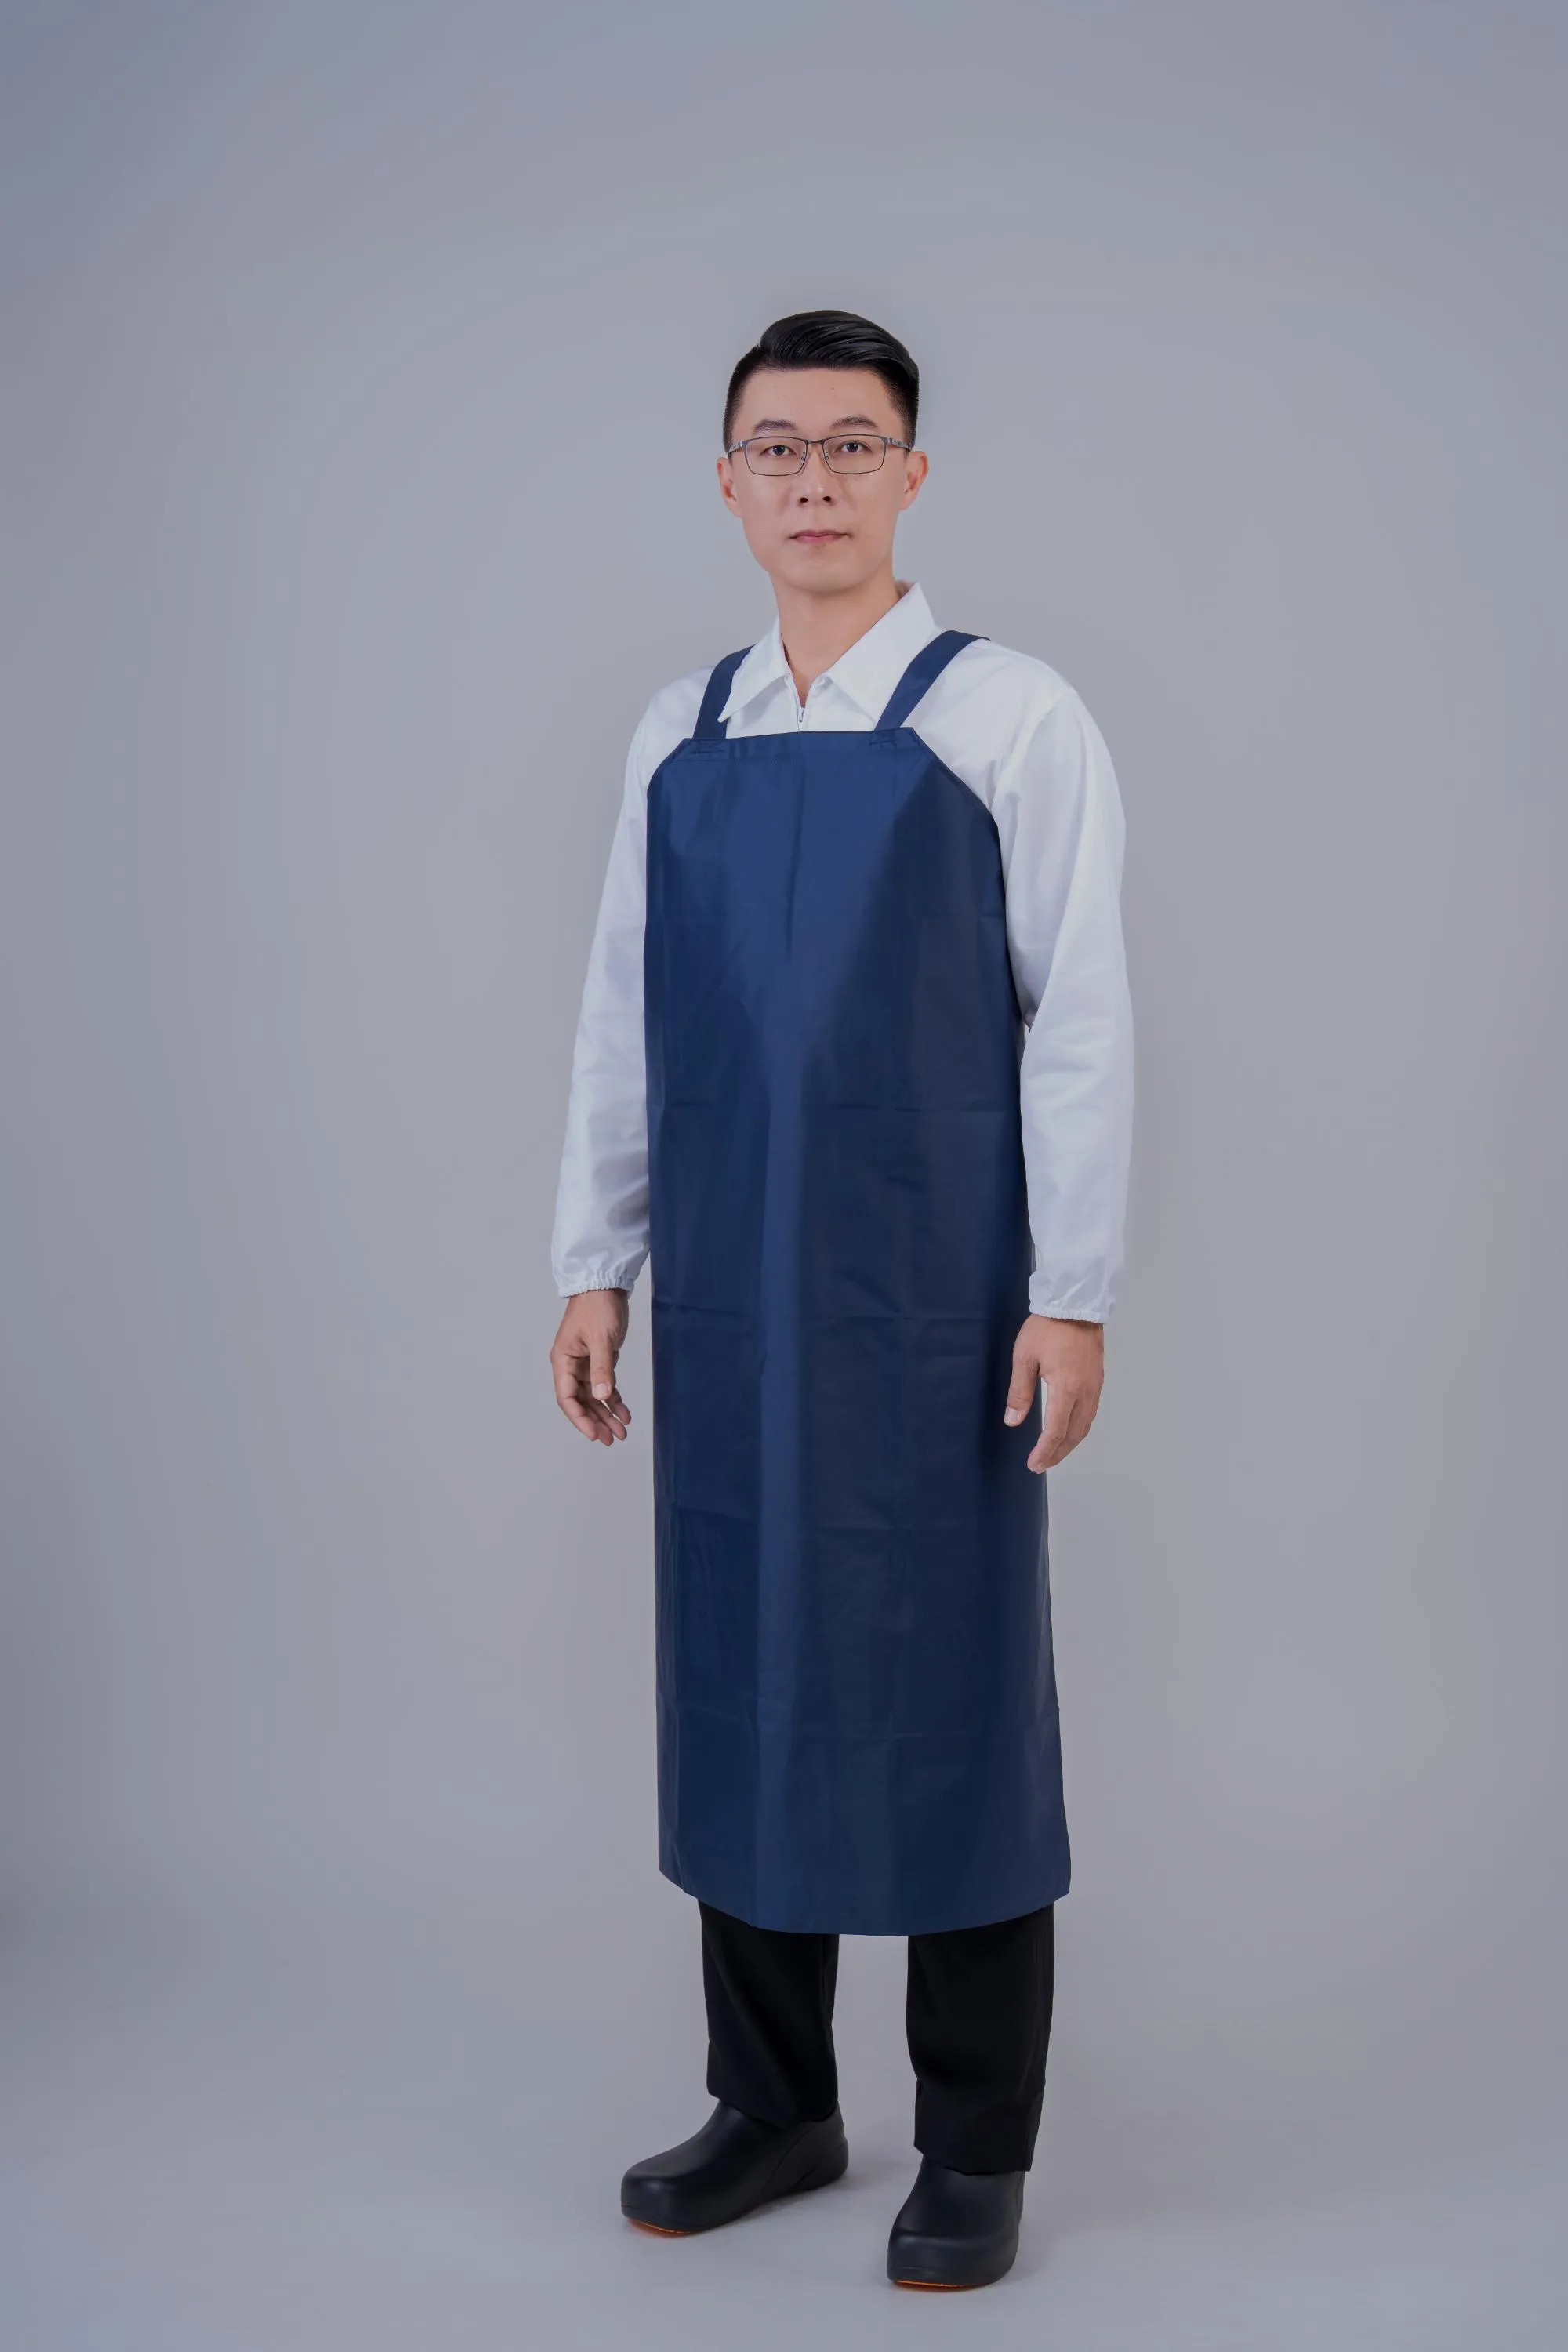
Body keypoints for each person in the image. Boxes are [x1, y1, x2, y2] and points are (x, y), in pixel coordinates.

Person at [548, 309, 1132, 2291]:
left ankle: (974, 2142)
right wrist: (593, 1260)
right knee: (746, 1676)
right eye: (778, 449)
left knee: (947, 1689)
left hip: (936, 1291)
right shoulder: (682, 731)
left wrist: (1073, 1291)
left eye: (852, 445)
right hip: (729, 1288)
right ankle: (774, 2100)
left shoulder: (1009, 719)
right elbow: (623, 1018)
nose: (815, 480)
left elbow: (1080, 1022)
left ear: (911, 475)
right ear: (728, 483)